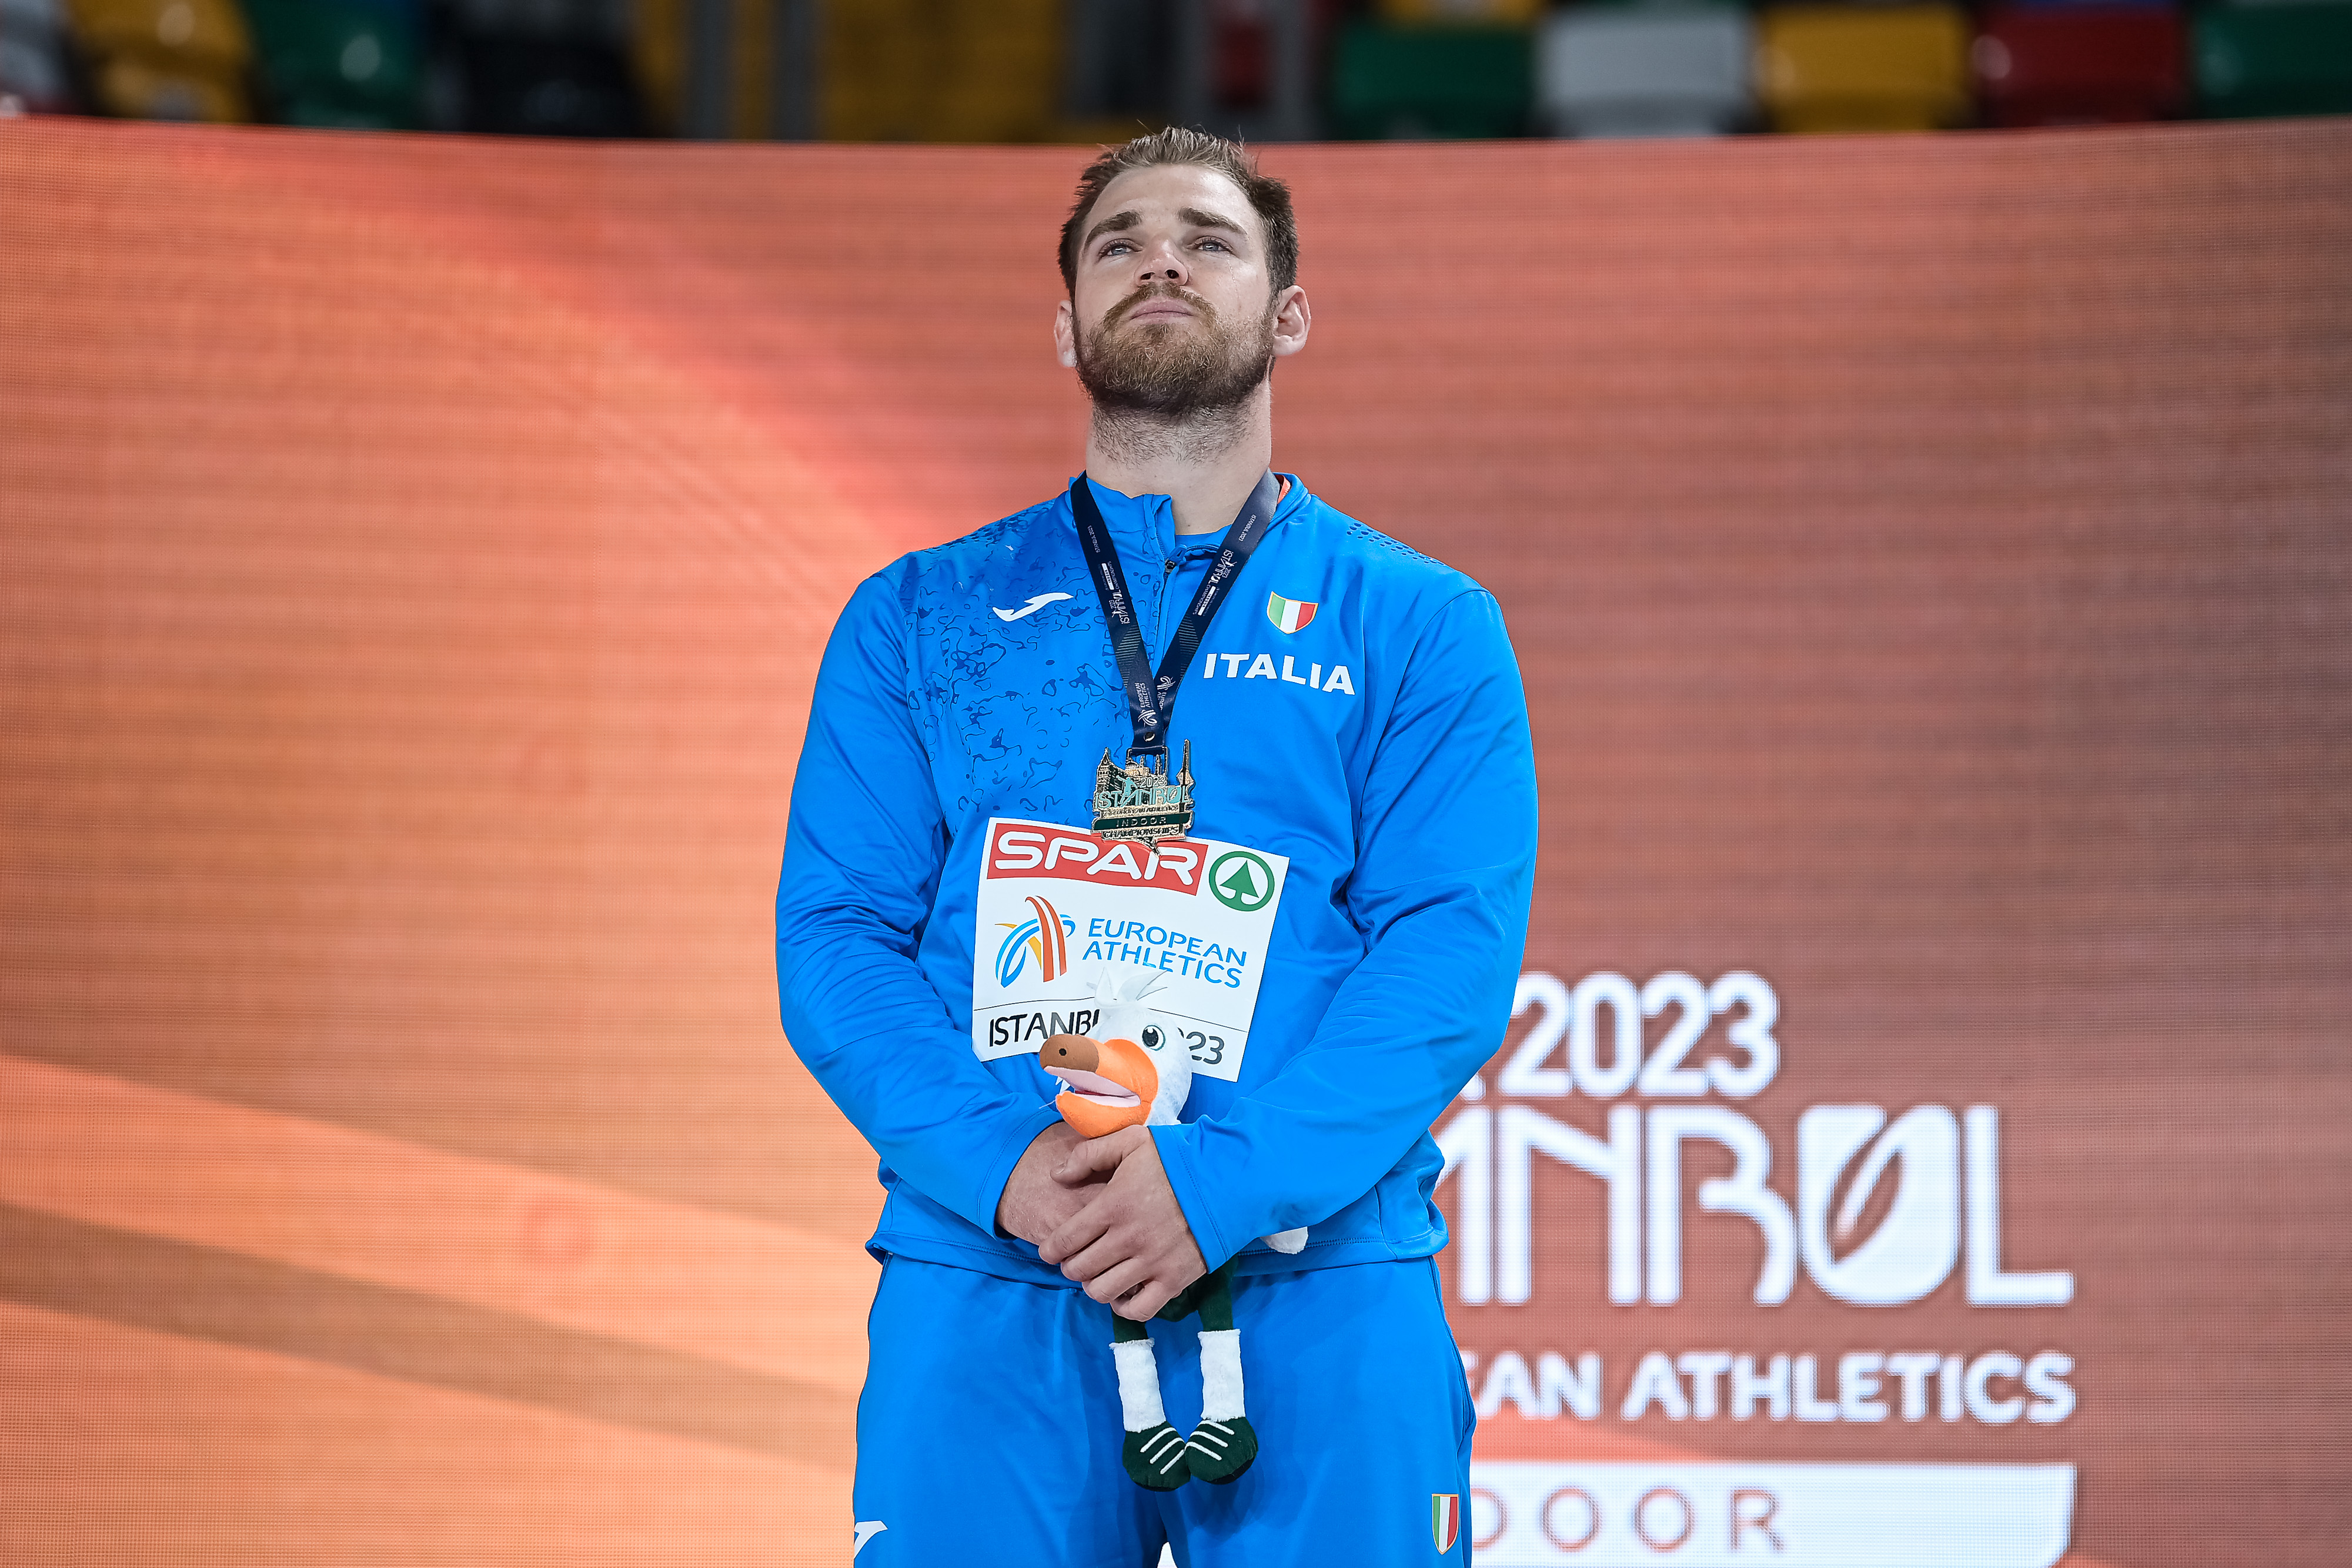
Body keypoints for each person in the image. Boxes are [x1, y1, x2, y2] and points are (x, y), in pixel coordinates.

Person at [774, 128, 1536, 1567]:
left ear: (1287, 314)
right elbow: (835, 936)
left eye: (1207, 238)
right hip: (996, 1266)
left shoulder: (1418, 621)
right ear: (1066, 324)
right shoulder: (920, 615)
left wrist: (1222, 1181)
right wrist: (1006, 1165)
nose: (1160, 261)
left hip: (1314, 1273)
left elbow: (1447, 951)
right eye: (1116, 243)